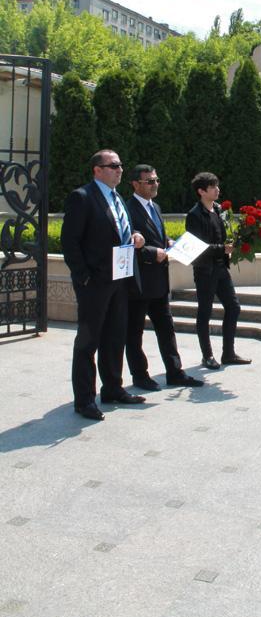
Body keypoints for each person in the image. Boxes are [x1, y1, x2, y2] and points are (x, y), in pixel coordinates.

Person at [61, 149, 146, 421]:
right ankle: (84, 400)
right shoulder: (82, 197)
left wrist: (135, 235)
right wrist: (84, 277)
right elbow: (70, 242)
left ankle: (112, 388)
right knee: (88, 342)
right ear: (97, 170)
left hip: (120, 279)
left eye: (120, 165)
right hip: (94, 283)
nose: (120, 169)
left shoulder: (118, 197)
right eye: (113, 165)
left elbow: (120, 230)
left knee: (115, 337)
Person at [125, 164, 203, 390]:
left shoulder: (155, 207)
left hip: (159, 281)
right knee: (134, 333)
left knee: (166, 329)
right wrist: (153, 252)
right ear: (135, 184)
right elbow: (127, 243)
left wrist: (168, 242)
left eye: (157, 180)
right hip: (139, 283)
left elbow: (156, 236)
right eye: (150, 181)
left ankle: (175, 372)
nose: (155, 184)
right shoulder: (128, 209)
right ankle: (140, 376)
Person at [185, 172, 251, 369]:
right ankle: (207, 356)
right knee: (205, 312)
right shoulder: (194, 215)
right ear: (201, 191)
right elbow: (196, 248)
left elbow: (222, 236)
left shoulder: (219, 209)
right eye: (212, 187)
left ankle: (228, 353)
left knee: (234, 307)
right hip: (205, 270)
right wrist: (223, 249)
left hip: (221, 267)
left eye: (217, 186)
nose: (217, 190)